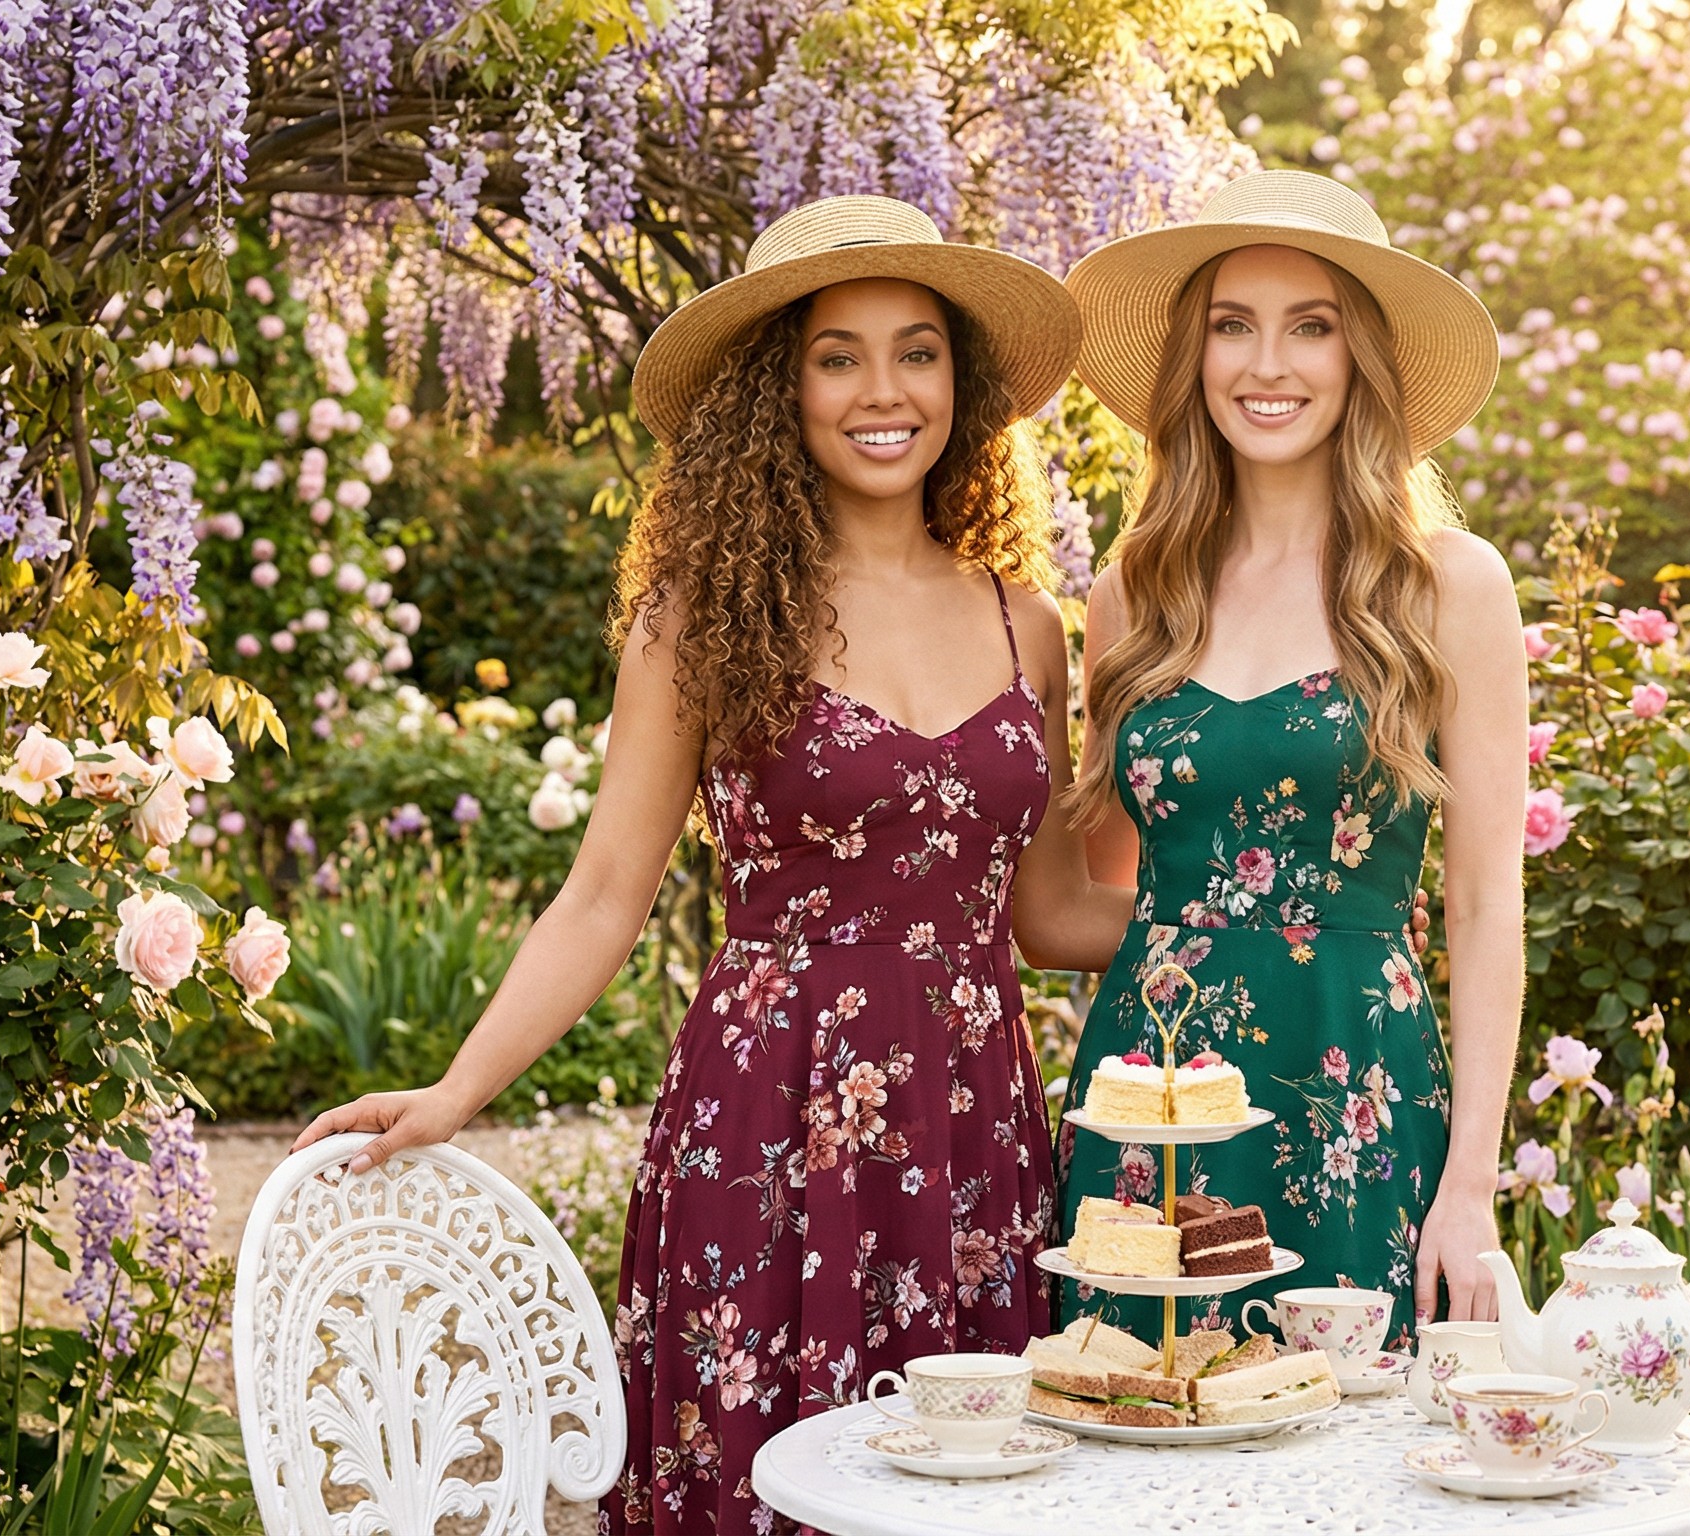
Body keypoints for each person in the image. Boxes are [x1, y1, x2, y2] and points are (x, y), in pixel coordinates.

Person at [293, 194, 1130, 1536]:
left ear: (961, 386)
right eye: (837, 356)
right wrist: (456, 1091)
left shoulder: (1025, 621)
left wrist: (1257, 918)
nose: (884, 391)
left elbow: (1049, 912)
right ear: (776, 391)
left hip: (971, 1124)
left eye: (917, 352)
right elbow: (603, 894)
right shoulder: (704, 616)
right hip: (769, 1120)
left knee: (974, 1488)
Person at [1052, 169, 1524, 1352]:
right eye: (1232, 326)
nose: (1268, 365)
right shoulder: (1133, 596)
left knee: (1353, 1433)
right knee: (1132, 1414)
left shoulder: (1447, 585)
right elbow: (1096, 893)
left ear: (1360, 357)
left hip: (1354, 1085)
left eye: (1310, 327)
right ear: (1194, 357)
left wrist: (1470, 1185)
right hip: (1152, 1102)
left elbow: (1482, 905)